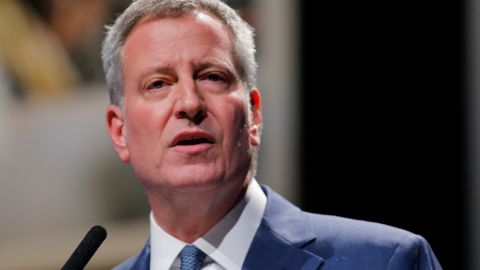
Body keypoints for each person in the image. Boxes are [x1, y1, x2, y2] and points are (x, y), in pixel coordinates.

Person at [102, 0, 442, 269]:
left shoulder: (384, 261)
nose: (190, 103)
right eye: (158, 84)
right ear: (120, 132)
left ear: (254, 115)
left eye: (212, 77)